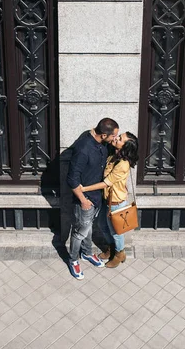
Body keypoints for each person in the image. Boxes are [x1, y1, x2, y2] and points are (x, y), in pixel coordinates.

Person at [66, 117, 119, 280]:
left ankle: (87, 253)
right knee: (79, 232)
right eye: (113, 136)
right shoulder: (84, 148)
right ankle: (73, 260)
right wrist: (83, 200)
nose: (115, 139)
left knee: (88, 227)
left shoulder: (101, 143)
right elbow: (72, 179)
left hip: (97, 198)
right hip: (86, 200)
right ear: (103, 135)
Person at [81, 132, 138, 269]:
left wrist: (84, 189)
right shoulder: (114, 155)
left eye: (120, 139)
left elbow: (107, 183)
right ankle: (111, 248)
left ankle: (120, 254)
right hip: (107, 200)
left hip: (116, 203)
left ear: (125, 147)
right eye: (118, 136)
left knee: (116, 232)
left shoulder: (123, 164)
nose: (116, 138)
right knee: (102, 225)